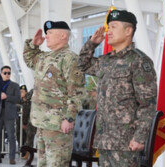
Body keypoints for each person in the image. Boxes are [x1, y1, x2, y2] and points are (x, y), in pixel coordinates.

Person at [77, 10, 157, 167]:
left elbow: (148, 104)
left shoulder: (139, 61)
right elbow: (83, 65)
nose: (108, 31)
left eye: (113, 27)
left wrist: (140, 137)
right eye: (109, 27)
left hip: (126, 143)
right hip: (105, 140)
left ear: (128, 31)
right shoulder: (107, 61)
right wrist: (92, 43)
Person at [23, 20, 85, 166]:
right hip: (42, 122)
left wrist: (69, 118)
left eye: (50, 33)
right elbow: (29, 59)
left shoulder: (70, 58)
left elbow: (76, 91)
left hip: (58, 124)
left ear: (63, 35)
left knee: (56, 164)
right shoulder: (45, 57)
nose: (46, 36)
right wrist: (33, 45)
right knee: (43, 164)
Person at [0, 66, 20, 165]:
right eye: (5, 73)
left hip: (9, 114)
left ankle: (12, 158)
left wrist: (7, 97)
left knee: (11, 137)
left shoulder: (15, 85)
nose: (7, 75)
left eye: (9, 73)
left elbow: (18, 99)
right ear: (1, 74)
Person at [17, 85, 36, 160]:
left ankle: (28, 153)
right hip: (22, 122)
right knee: (20, 135)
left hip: (30, 121)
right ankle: (23, 151)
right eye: (20, 92)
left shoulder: (30, 97)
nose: (21, 93)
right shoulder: (20, 100)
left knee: (29, 137)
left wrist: (25, 124)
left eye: (22, 92)